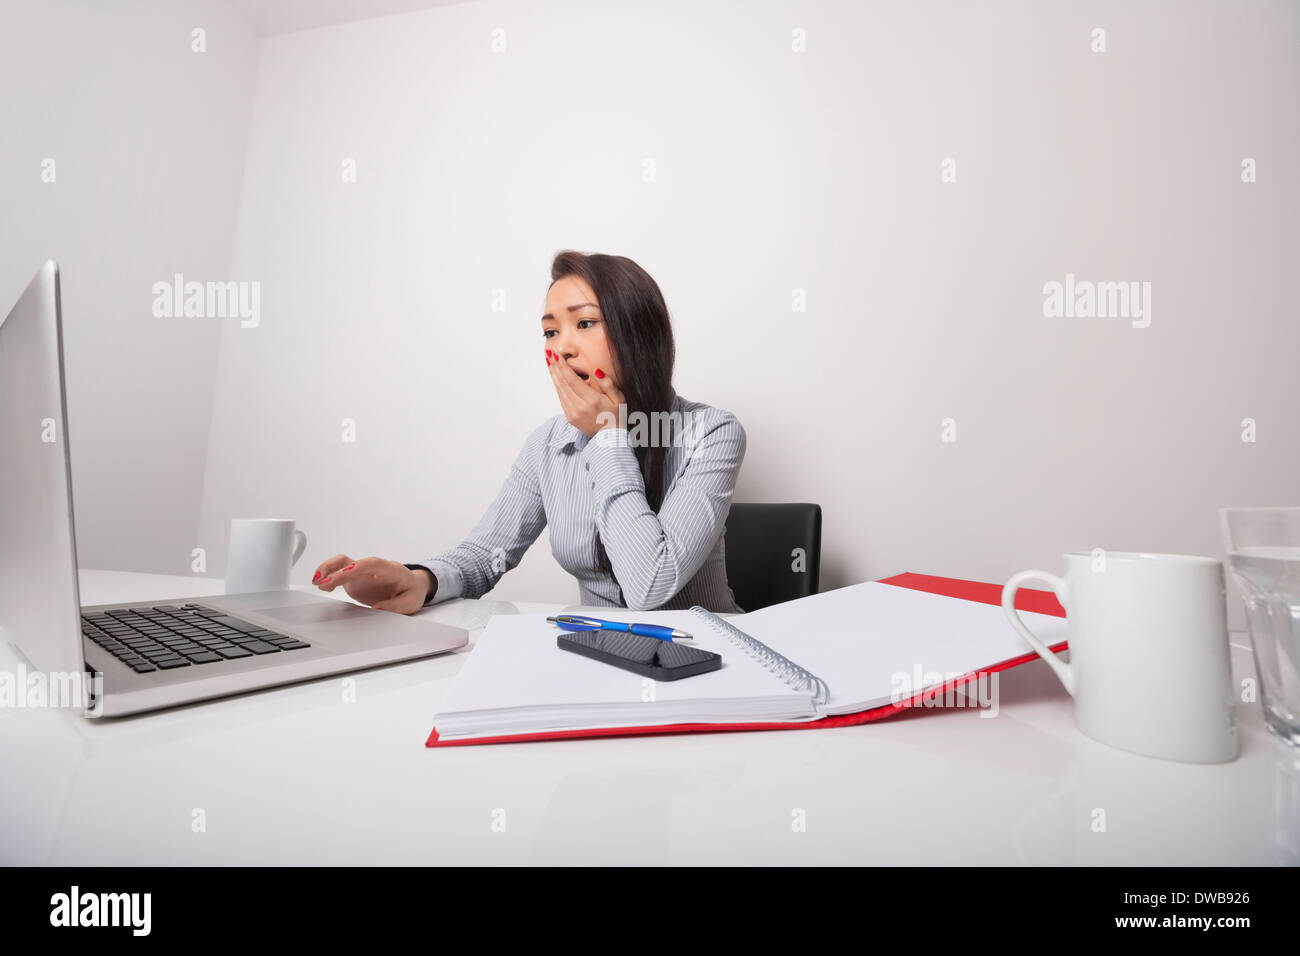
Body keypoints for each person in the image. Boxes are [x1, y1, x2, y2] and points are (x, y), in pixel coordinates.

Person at [310, 250, 747, 614]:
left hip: (708, 658)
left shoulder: (711, 433)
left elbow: (650, 585)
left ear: (639, 333)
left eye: (585, 323)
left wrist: (607, 437)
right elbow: (486, 555)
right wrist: (418, 579)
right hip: (600, 661)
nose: (562, 347)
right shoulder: (548, 444)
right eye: (550, 331)